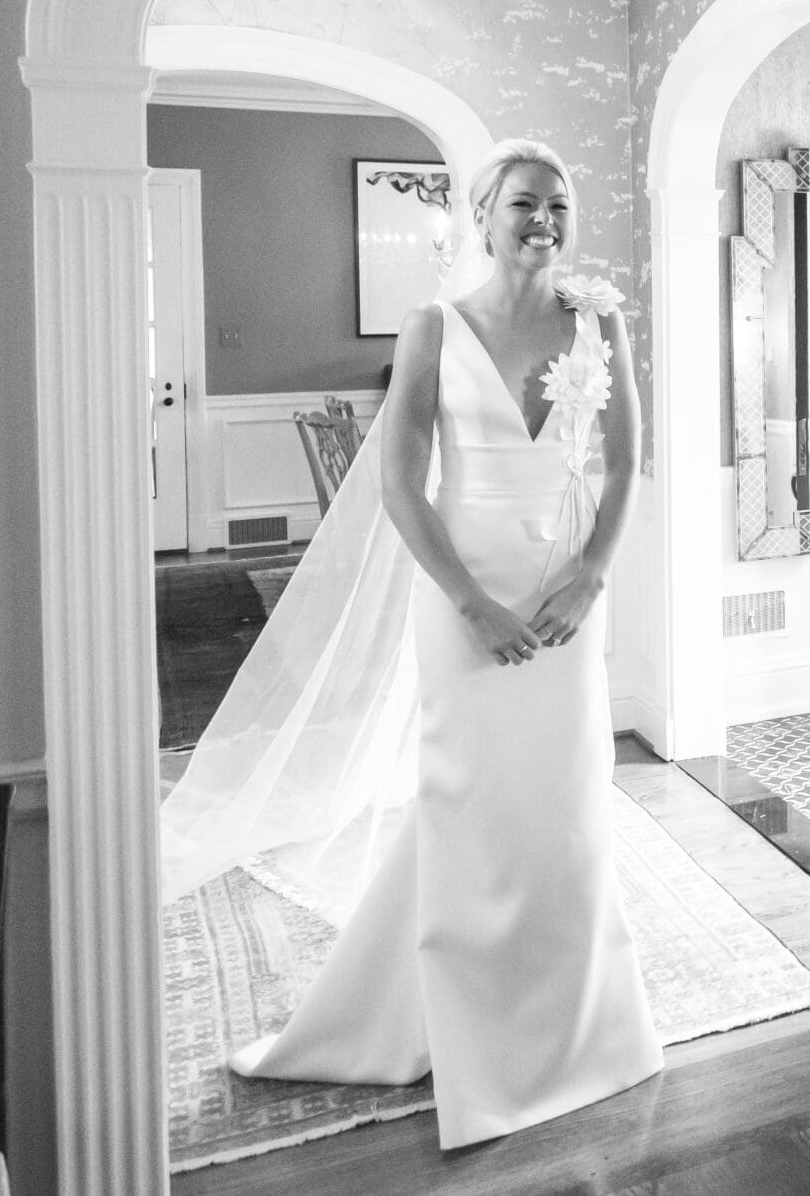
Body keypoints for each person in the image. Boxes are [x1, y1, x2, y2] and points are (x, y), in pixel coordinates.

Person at [157, 139, 662, 1148]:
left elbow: (625, 456)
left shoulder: (597, 321)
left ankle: (578, 1032)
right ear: (482, 217)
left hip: (567, 592)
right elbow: (399, 486)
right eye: (524, 204)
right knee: (469, 801)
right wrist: (472, 603)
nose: (543, 222)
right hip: (463, 593)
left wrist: (592, 575)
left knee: (563, 804)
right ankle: (465, 1034)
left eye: (558, 207)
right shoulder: (434, 328)